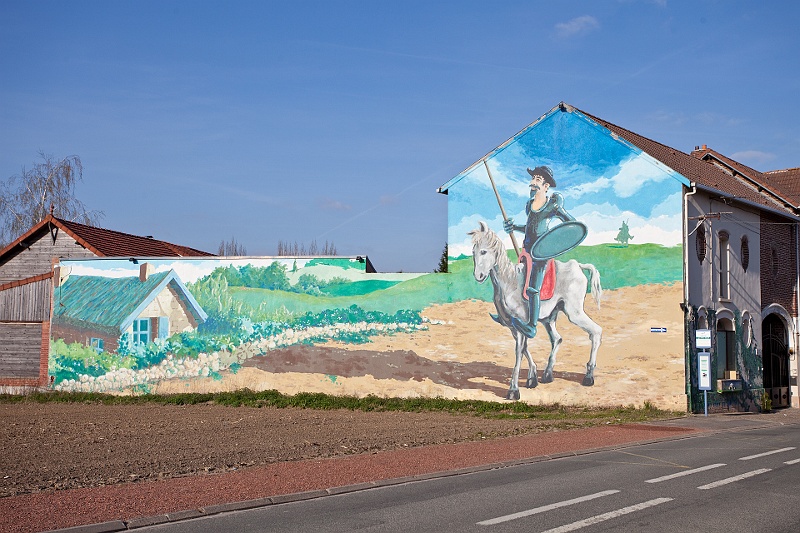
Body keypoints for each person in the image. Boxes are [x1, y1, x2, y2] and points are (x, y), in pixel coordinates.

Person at [502, 166, 575, 338]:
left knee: (533, 289)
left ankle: (532, 326)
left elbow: (571, 224)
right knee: (516, 282)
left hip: (541, 253)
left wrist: (553, 241)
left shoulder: (552, 205)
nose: (533, 183)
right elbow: (529, 228)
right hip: (526, 251)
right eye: (533, 178)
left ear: (546, 186)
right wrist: (513, 227)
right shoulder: (530, 205)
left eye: (538, 180)